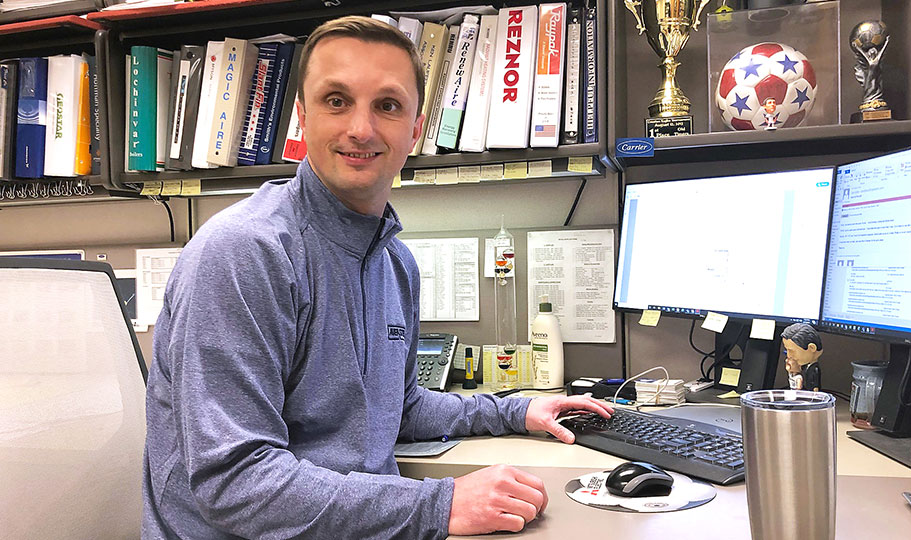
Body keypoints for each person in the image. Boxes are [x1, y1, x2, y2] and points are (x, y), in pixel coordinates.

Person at [141, 16, 613, 539]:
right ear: (302, 117)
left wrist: (518, 410)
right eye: (336, 100)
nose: (360, 129)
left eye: (387, 106)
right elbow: (235, 482)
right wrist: (440, 504)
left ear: (415, 129)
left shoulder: (394, 263)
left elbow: (399, 408)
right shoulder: (245, 253)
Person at [781, 323, 823, 391]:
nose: (788, 355)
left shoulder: (814, 369)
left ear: (812, 348)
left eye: (792, 351)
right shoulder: (803, 366)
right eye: (787, 350)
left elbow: (815, 387)